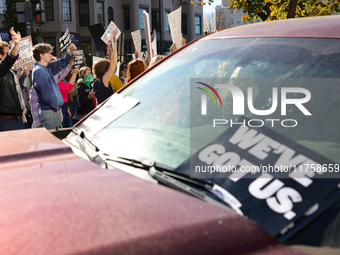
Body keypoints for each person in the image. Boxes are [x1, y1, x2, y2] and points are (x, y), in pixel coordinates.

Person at [32, 43, 76, 130]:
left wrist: (70, 52)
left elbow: (61, 64)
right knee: (51, 142)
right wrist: (56, 107)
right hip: (50, 112)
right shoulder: (40, 71)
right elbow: (47, 94)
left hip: (52, 112)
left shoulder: (45, 68)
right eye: (48, 53)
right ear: (41, 56)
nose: (51, 55)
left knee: (54, 140)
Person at [0, 27, 27, 131]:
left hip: (16, 119)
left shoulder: (9, 71)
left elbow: (15, 90)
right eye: (7, 54)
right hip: (7, 121)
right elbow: (8, 61)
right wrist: (16, 45)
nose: (9, 56)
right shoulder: (3, 68)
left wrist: (23, 75)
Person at [92, 31, 118, 105]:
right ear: (105, 71)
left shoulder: (98, 82)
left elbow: (111, 64)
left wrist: (110, 52)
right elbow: (113, 65)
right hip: (106, 111)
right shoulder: (103, 81)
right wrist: (114, 45)